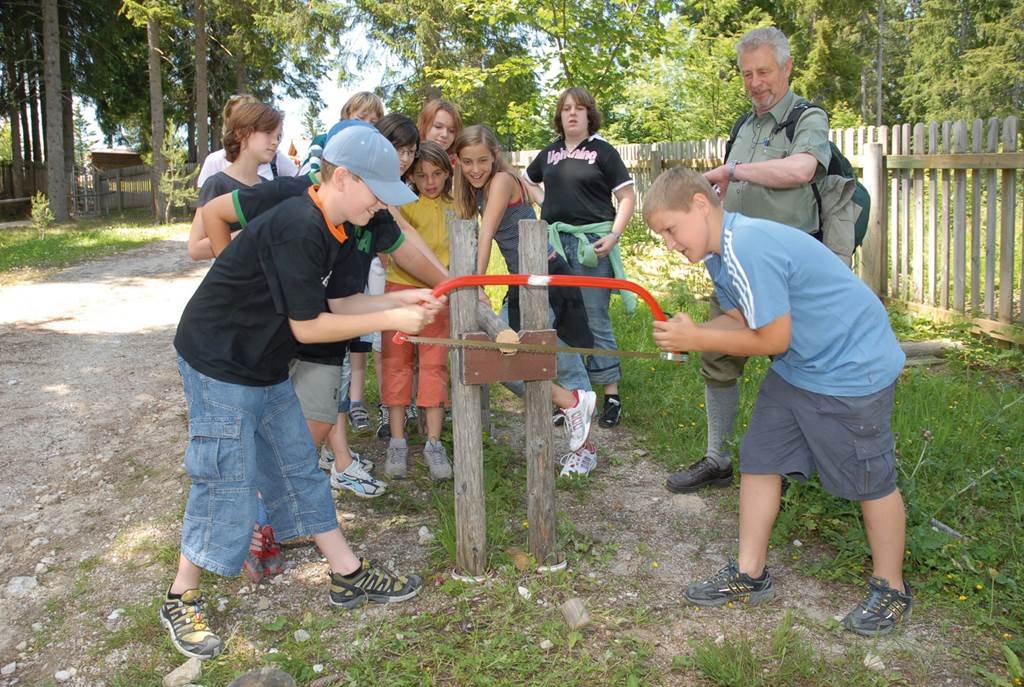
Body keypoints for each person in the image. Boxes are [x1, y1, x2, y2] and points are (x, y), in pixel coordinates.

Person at [162, 126, 441, 660]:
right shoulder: (298, 225)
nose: (383, 204)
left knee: (296, 464)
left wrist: (413, 297)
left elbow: (338, 307)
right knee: (225, 473)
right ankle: (180, 595)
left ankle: (347, 574)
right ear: (342, 178)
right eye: (376, 191)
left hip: (262, 363)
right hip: (220, 359)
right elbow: (309, 328)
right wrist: (394, 317)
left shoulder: (336, 229)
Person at [644, 167, 910, 637]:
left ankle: (892, 589)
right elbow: (739, 318)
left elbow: (771, 338)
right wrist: (694, 336)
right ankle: (750, 574)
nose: (668, 242)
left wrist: (698, 335)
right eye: (661, 234)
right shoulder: (718, 255)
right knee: (760, 458)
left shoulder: (748, 245)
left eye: (670, 229)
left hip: (851, 367)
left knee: (871, 479)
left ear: (701, 206)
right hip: (802, 366)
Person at [667, 26, 833, 494]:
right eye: (747, 74)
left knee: (802, 361)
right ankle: (718, 459)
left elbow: (802, 169)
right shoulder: (743, 126)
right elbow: (725, 193)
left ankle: (817, 467)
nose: (756, 82)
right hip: (734, 268)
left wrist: (734, 170)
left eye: (763, 71)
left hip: (788, 272)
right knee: (717, 354)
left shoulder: (807, 117)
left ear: (786, 68)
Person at [454, 124, 597, 473]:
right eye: (468, 161)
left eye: (482, 160)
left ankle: (585, 449)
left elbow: (485, 235)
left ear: (495, 156)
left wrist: (475, 285)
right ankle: (566, 403)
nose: (475, 168)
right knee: (505, 358)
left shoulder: (501, 181)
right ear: (458, 161)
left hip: (546, 275)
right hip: (523, 282)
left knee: (562, 360)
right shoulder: (478, 187)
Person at [524, 87, 636, 431]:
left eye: (579, 108)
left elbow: (628, 197)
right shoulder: (550, 153)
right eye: (566, 109)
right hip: (556, 245)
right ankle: (572, 395)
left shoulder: (603, 152)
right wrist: (547, 204)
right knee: (558, 318)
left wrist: (614, 235)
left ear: (590, 115)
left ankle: (611, 395)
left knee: (594, 317)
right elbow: (526, 180)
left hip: (592, 246)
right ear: (560, 116)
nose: (572, 114)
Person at [380, 141, 454, 480]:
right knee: (397, 362)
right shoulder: (402, 204)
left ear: (447, 173)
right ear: (411, 176)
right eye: (422, 175)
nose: (430, 181)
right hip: (399, 289)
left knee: (435, 363)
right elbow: (395, 249)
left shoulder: (456, 206)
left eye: (437, 174)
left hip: (439, 294)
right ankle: (397, 440)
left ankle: (433, 442)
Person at [188, 101, 284, 260]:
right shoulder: (216, 184)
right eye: (268, 132)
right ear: (241, 133)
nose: (275, 142)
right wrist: (254, 232)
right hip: (233, 280)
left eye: (278, 136)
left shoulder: (270, 187)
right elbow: (196, 249)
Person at [196, 94, 297, 189]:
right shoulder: (215, 162)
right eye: (238, 115)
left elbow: (299, 183)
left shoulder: (275, 158)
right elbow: (206, 203)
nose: (275, 142)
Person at [300, 91, 385, 176]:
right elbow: (307, 176)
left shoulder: (371, 153)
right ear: (347, 115)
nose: (366, 125)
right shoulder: (323, 141)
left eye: (373, 122)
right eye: (360, 118)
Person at [416, 99, 462, 163]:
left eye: (451, 131)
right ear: (424, 125)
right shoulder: (406, 160)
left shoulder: (460, 165)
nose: (445, 134)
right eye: (438, 127)